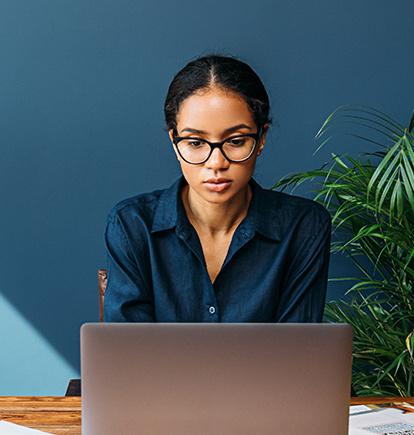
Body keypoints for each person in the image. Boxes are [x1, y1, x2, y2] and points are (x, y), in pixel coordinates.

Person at [103, 54, 330, 322]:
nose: (216, 163)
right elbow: (129, 355)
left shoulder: (304, 228)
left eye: (235, 141)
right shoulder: (131, 226)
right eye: (196, 143)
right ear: (174, 142)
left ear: (261, 139)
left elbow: (297, 353)